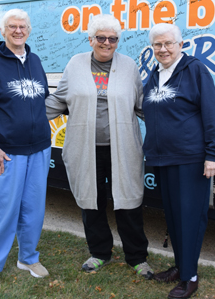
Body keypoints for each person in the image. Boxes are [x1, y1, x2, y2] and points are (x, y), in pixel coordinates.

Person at [45, 14, 153, 279]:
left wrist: (172, 123)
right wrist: (23, 115)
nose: (107, 43)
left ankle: (137, 257)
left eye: (112, 38)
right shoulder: (76, 64)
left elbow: (142, 105)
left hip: (122, 148)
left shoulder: (128, 66)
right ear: (90, 39)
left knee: (128, 203)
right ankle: (99, 252)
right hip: (86, 148)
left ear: (117, 41)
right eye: (101, 38)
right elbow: (60, 100)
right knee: (91, 203)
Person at [0, 9, 52, 293]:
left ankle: (27, 258)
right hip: (5, 153)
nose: (18, 31)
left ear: (29, 30)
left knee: (33, 209)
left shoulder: (35, 61)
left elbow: (43, 100)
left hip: (39, 150)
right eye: (12, 27)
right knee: (3, 211)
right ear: (3, 32)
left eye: (23, 26)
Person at [143, 23, 215, 299]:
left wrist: (212, 154)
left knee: (189, 218)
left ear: (180, 45)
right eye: (157, 45)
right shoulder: (155, 74)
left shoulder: (195, 70)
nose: (163, 49)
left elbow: (212, 113)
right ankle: (180, 266)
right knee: (174, 217)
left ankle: (190, 277)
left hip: (189, 159)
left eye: (168, 44)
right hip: (163, 157)